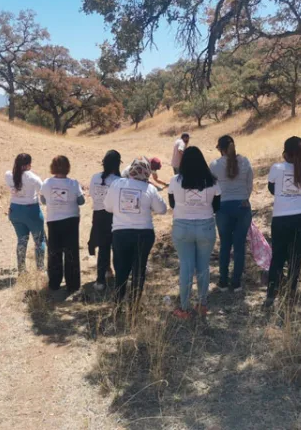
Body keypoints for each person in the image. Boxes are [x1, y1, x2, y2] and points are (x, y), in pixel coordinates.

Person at [104, 157, 167, 308]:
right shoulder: (150, 189)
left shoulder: (117, 183)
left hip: (121, 233)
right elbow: (162, 209)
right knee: (139, 270)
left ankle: (118, 304)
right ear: (147, 172)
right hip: (144, 234)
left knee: (121, 270)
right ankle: (134, 307)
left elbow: (107, 207)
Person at [169, 147, 221, 319]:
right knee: (203, 267)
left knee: (186, 266)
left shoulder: (175, 181)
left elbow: (172, 204)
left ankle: (184, 308)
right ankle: (202, 305)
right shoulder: (213, 182)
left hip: (182, 226)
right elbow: (217, 207)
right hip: (206, 226)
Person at [265, 136, 301, 307]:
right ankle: (291, 296)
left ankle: (271, 295)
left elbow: (271, 189)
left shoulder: (277, 168)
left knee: (278, 257)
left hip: (282, 219)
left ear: (285, 152)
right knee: (295, 258)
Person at [210, 135, 253, 292]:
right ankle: (236, 283)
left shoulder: (214, 165)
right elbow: (249, 184)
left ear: (220, 149)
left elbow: (211, 187)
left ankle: (222, 281)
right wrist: (244, 198)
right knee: (239, 246)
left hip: (223, 207)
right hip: (243, 206)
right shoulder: (245, 161)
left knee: (225, 245)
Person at [40, 156, 84, 292]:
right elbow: (81, 201)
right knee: (71, 252)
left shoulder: (47, 183)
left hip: (53, 220)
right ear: (67, 167)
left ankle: (54, 283)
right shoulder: (74, 183)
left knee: (54, 252)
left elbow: (43, 200)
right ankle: (73, 284)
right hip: (71, 220)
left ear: (52, 167)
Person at [5, 153, 46, 273]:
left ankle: (22, 269)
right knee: (39, 240)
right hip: (31, 210)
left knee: (21, 240)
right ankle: (40, 269)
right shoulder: (33, 177)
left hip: (15, 210)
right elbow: (42, 193)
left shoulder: (8, 175)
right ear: (29, 164)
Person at [88, 150, 121, 290]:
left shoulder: (95, 177)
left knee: (103, 247)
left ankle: (101, 280)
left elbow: (91, 194)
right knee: (117, 247)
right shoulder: (118, 181)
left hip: (98, 215)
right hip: (114, 216)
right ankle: (119, 277)